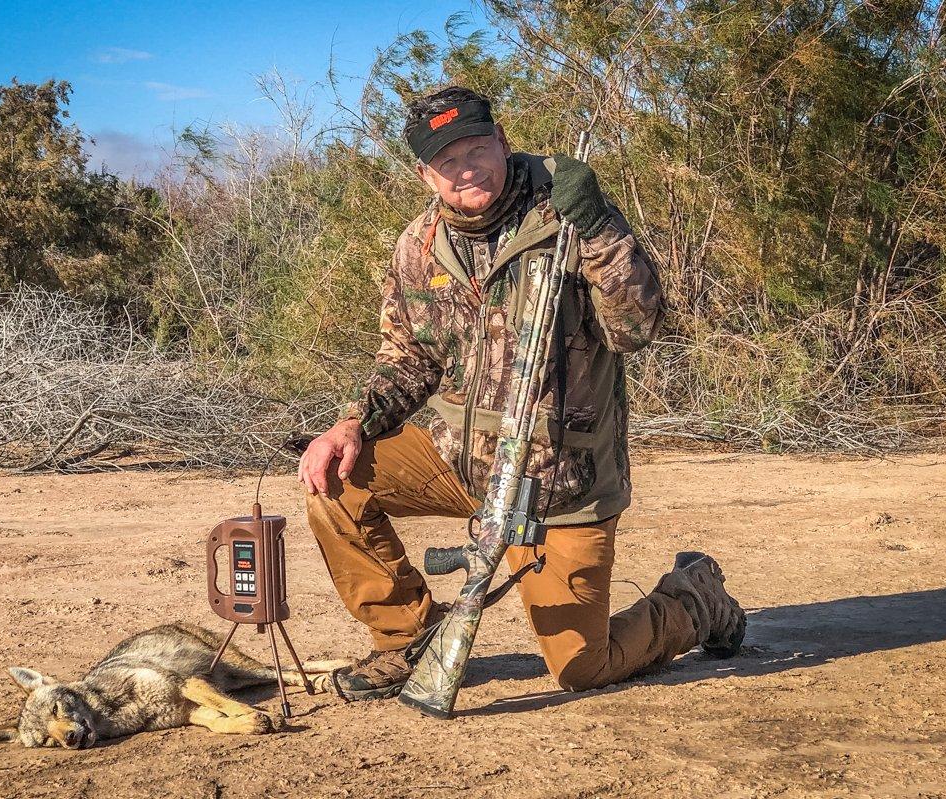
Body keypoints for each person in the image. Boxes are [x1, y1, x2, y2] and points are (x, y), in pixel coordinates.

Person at [298, 86, 745, 701]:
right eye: (448, 161)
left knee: (581, 668)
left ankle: (694, 602)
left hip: (563, 480)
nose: (466, 169)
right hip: (459, 464)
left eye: (477, 149)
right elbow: (408, 359)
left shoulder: (568, 212)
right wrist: (351, 424)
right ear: (426, 175)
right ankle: (407, 639)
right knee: (335, 481)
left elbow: (637, 329)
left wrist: (596, 225)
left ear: (503, 144)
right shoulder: (418, 246)